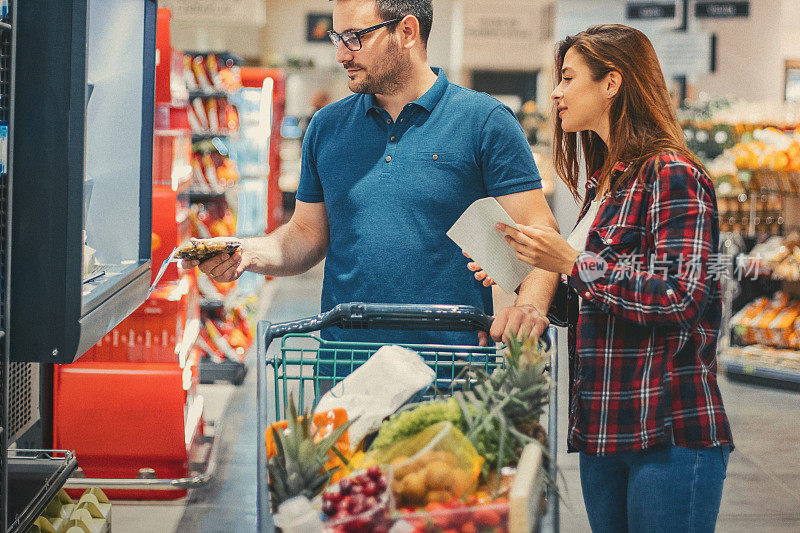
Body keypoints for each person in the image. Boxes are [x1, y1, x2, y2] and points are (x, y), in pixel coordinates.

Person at [472, 24, 734, 532]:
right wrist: (525, 267)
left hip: (669, 431)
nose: (556, 93)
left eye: (568, 79)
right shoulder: (603, 185)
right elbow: (595, 300)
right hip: (606, 431)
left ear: (612, 83)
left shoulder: (672, 174)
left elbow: (682, 295)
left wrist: (570, 262)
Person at [181, 0, 560, 350]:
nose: (341, 54)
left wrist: (529, 306)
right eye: (337, 38)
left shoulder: (484, 122)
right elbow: (307, 235)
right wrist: (248, 252)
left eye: (354, 38)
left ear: (407, 32)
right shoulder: (327, 127)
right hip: (345, 366)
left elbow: (539, 227)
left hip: (449, 365)